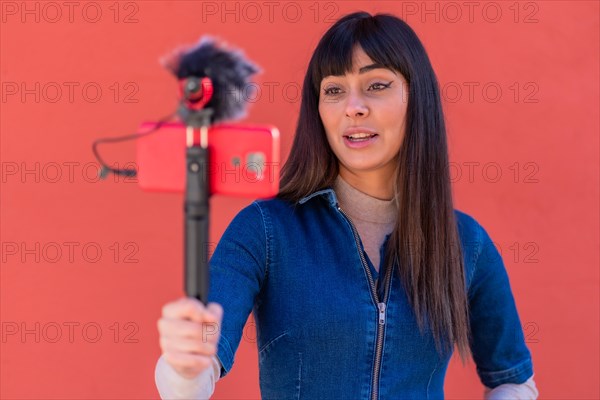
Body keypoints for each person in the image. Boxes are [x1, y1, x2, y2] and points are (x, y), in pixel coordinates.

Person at [155, 11, 539, 399]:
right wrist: (184, 365)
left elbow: (514, 378)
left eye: (376, 85)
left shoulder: (465, 243)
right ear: (318, 110)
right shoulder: (264, 230)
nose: (353, 107)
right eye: (334, 90)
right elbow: (197, 367)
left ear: (416, 98)